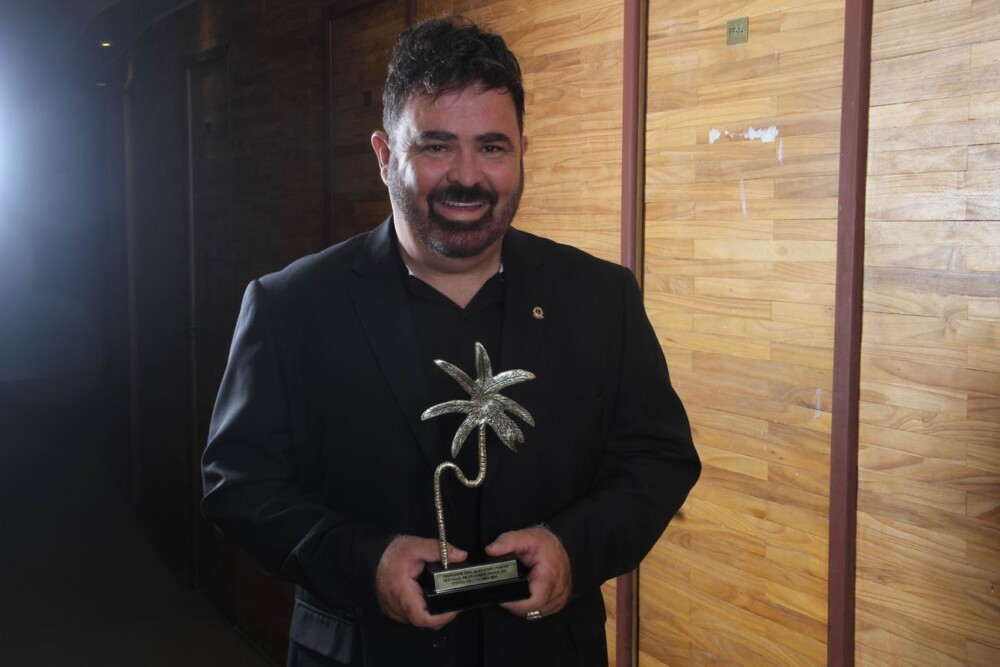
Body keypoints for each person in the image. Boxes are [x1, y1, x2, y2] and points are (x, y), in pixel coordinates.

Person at [201, 16, 699, 667]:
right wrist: (365, 561)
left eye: (492, 147)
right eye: (436, 147)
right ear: (385, 156)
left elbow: (658, 459)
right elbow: (239, 485)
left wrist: (573, 548)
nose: (468, 175)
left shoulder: (601, 298)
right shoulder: (290, 307)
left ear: (522, 151)